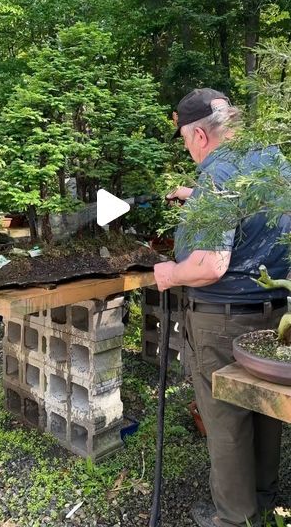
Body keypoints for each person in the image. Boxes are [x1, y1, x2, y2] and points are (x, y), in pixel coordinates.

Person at [153, 88, 290, 527]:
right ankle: (263, 500)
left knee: (227, 419)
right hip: (275, 313)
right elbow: (250, 211)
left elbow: (211, 265)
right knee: (265, 410)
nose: (188, 148)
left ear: (198, 134)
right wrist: (197, 195)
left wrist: (169, 274)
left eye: (185, 140)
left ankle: (235, 518)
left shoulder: (216, 175)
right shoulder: (272, 160)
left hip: (222, 320)